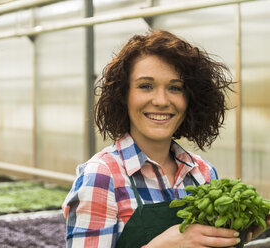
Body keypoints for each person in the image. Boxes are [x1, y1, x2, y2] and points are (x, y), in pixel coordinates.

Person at [62, 30, 270, 248]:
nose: (161, 100)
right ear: (124, 95)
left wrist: (238, 233)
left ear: (190, 98)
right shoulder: (103, 176)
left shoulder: (202, 172)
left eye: (175, 88)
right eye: (146, 86)